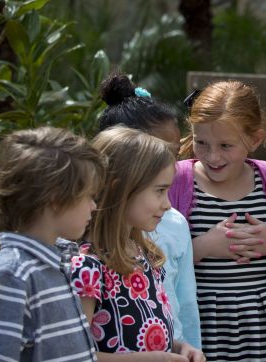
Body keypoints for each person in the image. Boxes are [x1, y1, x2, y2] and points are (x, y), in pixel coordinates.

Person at [169, 81, 266, 362]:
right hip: (204, 322)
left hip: (262, 325)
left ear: (255, 140)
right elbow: (158, 258)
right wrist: (203, 247)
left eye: (226, 146)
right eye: (201, 143)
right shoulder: (177, 180)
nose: (212, 156)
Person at [0, 127, 104, 362]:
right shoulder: (13, 274)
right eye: (88, 195)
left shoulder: (56, 263)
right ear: (55, 198)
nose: (94, 206)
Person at [71, 126, 204, 361]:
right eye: (159, 191)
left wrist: (177, 347)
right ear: (120, 190)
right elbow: (74, 355)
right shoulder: (87, 265)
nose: (167, 204)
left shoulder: (145, 254)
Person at [98, 74, 202, 349]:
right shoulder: (87, 255)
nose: (173, 163)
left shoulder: (167, 232)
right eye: (161, 152)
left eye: (175, 152)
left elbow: (185, 304)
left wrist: (187, 348)